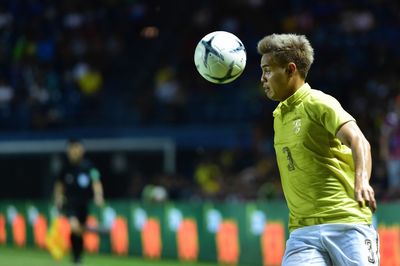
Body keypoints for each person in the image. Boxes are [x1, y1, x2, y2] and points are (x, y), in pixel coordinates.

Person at [257, 33, 379, 265]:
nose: (263, 78)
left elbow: (359, 141)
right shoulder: (278, 116)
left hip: (346, 224)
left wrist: (362, 181)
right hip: (302, 233)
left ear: (291, 69)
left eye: (268, 70)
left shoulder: (319, 102)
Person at [54, 139, 104, 265]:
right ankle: (93, 230)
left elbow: (96, 181)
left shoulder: (89, 166)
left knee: (78, 232)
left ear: (82, 150)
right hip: (70, 204)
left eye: (77, 148)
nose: (74, 152)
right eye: (72, 149)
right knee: (74, 226)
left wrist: (98, 195)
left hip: (84, 204)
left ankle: (77, 256)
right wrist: (58, 198)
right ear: (68, 151)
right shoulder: (65, 168)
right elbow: (59, 185)